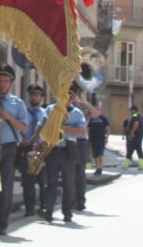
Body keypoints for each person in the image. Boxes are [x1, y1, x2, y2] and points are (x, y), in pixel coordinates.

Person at [0, 63, 29, 235]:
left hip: (9, 148)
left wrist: (8, 117)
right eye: (0, 80)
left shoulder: (17, 104)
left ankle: (1, 222)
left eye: (6, 80)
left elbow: (25, 129)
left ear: (11, 83)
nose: (3, 83)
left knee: (6, 185)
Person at [41, 86, 87, 223]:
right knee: (51, 182)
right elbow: (43, 125)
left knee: (69, 183)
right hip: (53, 149)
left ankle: (67, 211)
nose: (65, 99)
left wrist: (65, 128)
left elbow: (83, 131)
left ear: (72, 99)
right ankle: (48, 210)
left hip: (69, 150)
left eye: (69, 97)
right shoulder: (50, 109)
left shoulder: (77, 113)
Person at [19, 83, 47, 216]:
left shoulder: (45, 113)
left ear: (42, 98)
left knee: (43, 180)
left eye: (36, 95)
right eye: (32, 95)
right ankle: (29, 208)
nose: (34, 98)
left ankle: (43, 205)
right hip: (26, 147)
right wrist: (22, 140)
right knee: (27, 180)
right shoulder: (24, 112)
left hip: (42, 149)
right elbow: (19, 128)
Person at [87, 106, 110, 175]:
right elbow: (88, 128)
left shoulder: (103, 118)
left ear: (100, 111)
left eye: (97, 110)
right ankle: (98, 168)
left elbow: (108, 128)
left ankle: (100, 168)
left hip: (101, 139)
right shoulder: (91, 119)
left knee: (100, 154)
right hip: (93, 139)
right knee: (95, 155)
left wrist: (107, 137)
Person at [123, 103, 143, 168]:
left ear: (134, 110)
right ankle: (141, 165)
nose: (129, 112)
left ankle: (125, 164)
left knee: (130, 149)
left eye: (130, 110)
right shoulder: (139, 116)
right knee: (139, 149)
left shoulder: (135, 116)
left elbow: (136, 124)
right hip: (139, 136)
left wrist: (132, 132)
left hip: (134, 136)